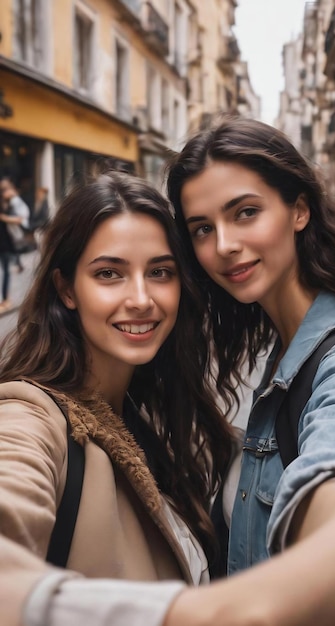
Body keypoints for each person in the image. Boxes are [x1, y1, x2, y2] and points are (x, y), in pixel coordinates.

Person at [0, 170, 235, 626]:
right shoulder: (31, 415)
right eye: (109, 274)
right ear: (66, 289)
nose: (142, 298)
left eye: (160, 272)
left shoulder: (148, 415)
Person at [163, 115, 335, 624]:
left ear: (299, 210)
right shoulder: (285, 347)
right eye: (202, 228)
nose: (222, 244)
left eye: (245, 213)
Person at [0, 177, 31, 272]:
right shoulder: (9, 201)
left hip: (16, 230)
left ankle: (18, 263)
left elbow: (20, 219)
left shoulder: (15, 200)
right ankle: (18, 263)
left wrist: (4, 218)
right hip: (11, 231)